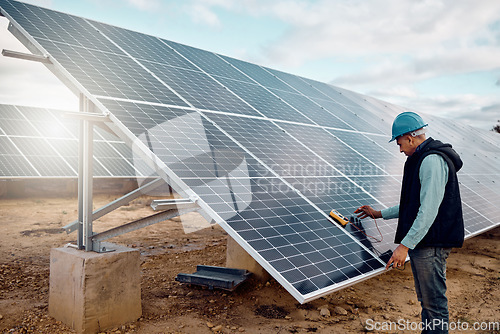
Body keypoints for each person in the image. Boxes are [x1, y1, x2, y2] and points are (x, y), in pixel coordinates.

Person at [354, 111, 464, 334]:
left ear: (410, 138)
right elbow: (413, 204)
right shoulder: (422, 159)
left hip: (430, 244)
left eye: (400, 143)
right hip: (426, 242)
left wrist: (404, 246)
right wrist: (379, 214)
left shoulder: (432, 160)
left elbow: (428, 210)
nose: (400, 149)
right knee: (427, 303)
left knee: (434, 306)